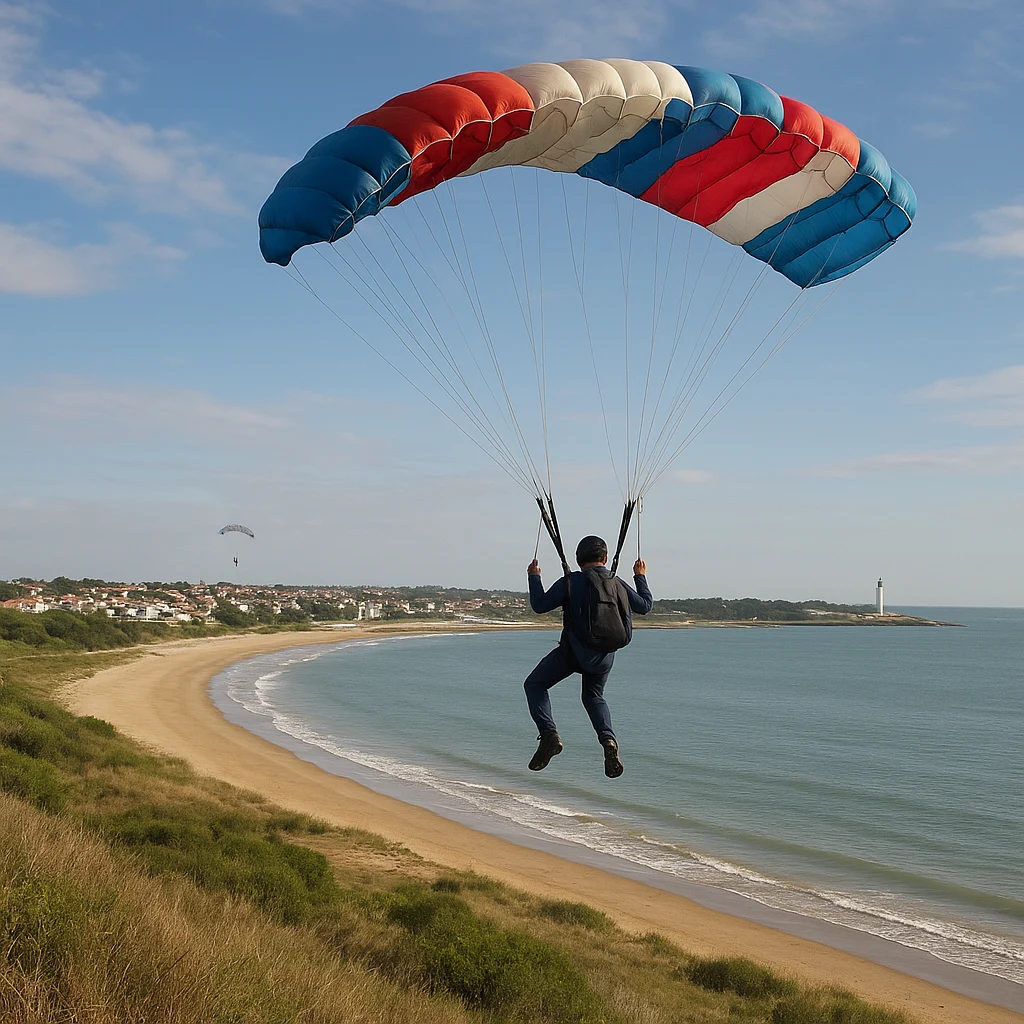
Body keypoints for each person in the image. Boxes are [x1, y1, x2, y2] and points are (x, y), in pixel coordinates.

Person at [524, 535, 652, 778]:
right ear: (605, 559)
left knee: (535, 684)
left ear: (577, 560)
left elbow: (539, 605)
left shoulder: (572, 581)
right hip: (604, 658)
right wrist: (640, 575)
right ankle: (608, 740)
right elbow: (645, 605)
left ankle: (550, 735)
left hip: (572, 654)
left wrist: (534, 577)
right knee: (593, 697)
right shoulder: (618, 583)